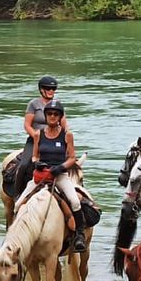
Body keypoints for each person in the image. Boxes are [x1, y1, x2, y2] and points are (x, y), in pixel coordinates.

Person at [33, 101, 87, 251]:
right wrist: (37, 163)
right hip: (42, 176)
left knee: (75, 202)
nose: (52, 116)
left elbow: (71, 158)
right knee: (19, 204)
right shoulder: (38, 134)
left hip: (60, 175)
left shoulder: (67, 135)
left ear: (60, 117)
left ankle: (79, 235)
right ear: (45, 116)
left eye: (55, 114)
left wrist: (61, 167)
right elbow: (34, 156)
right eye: (49, 113)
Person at [13, 75, 69, 198]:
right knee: (23, 165)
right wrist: (38, 138)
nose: (51, 91)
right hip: (35, 140)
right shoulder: (34, 104)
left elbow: (65, 126)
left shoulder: (58, 105)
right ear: (41, 90)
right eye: (48, 88)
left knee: (71, 165)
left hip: (55, 140)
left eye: (53, 89)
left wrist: (66, 140)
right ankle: (16, 193)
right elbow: (27, 125)